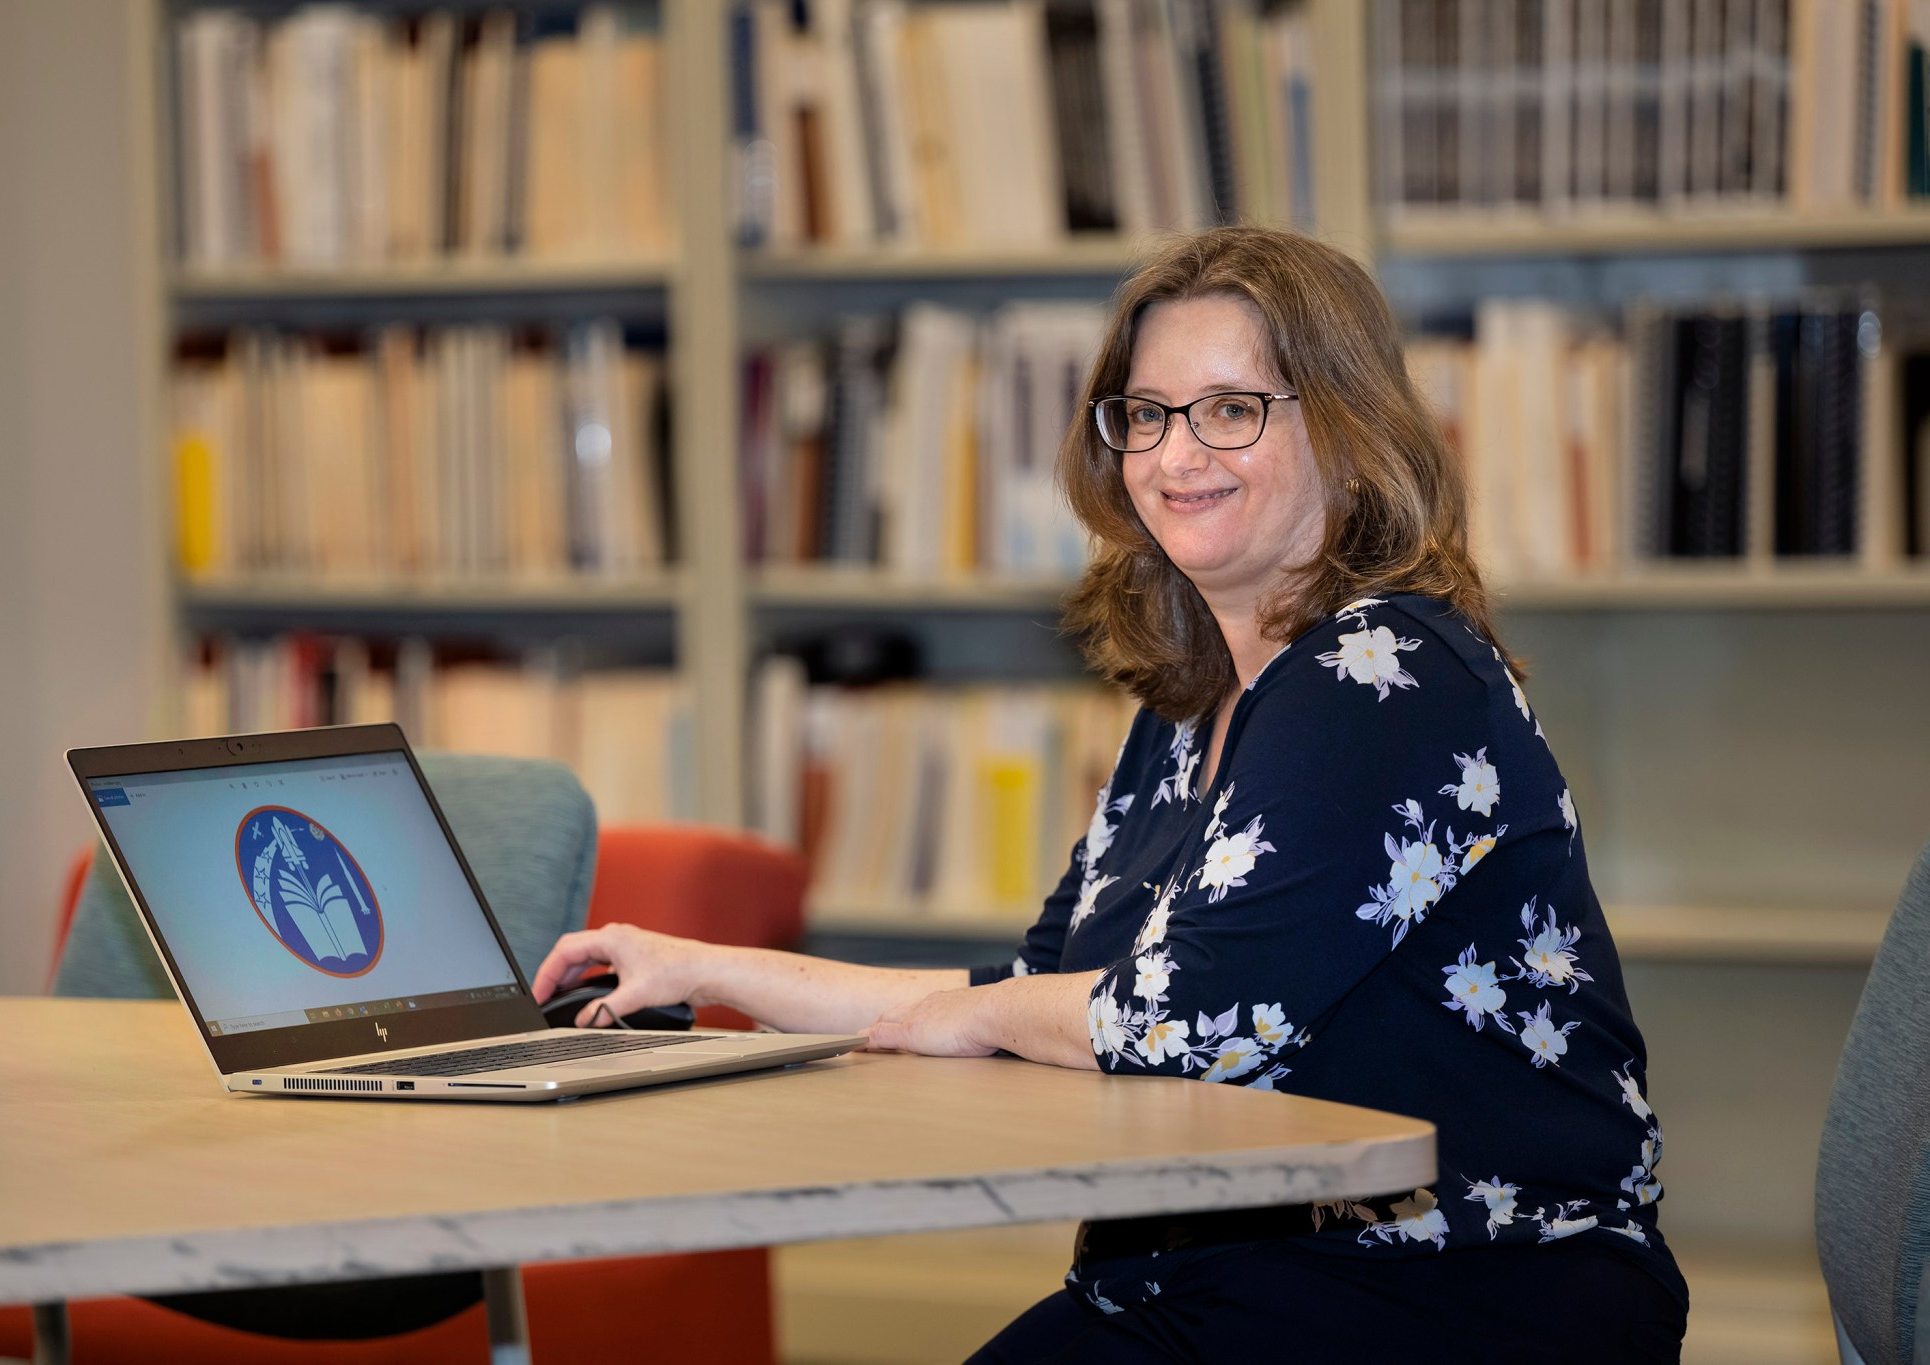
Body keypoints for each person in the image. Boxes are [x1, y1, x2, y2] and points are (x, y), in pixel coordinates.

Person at [533, 225, 1687, 1362]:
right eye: (1146, 414)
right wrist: (705, 969)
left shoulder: (1378, 674)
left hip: (1461, 1286)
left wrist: (981, 1018)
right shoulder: (1190, 708)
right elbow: (1048, 993)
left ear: (1345, 431)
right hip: (1210, 1272)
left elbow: (1174, 1027)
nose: (1176, 456)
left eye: (1232, 409)